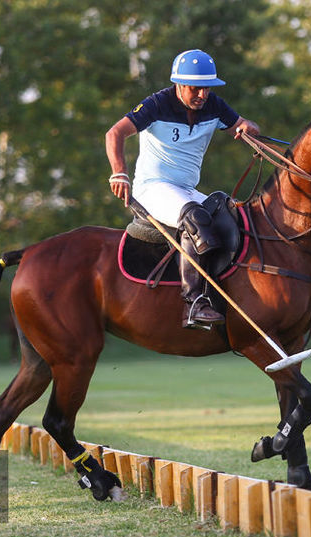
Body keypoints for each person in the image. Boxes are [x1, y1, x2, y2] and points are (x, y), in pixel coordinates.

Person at [105, 49, 260, 329]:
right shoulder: (157, 104)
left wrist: (248, 127)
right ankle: (194, 304)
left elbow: (242, 125)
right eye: (195, 88)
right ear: (178, 84)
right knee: (195, 218)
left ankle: (229, 294)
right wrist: (119, 173)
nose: (202, 95)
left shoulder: (214, 105)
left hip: (185, 190)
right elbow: (114, 133)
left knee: (234, 215)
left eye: (207, 89)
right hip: (152, 188)